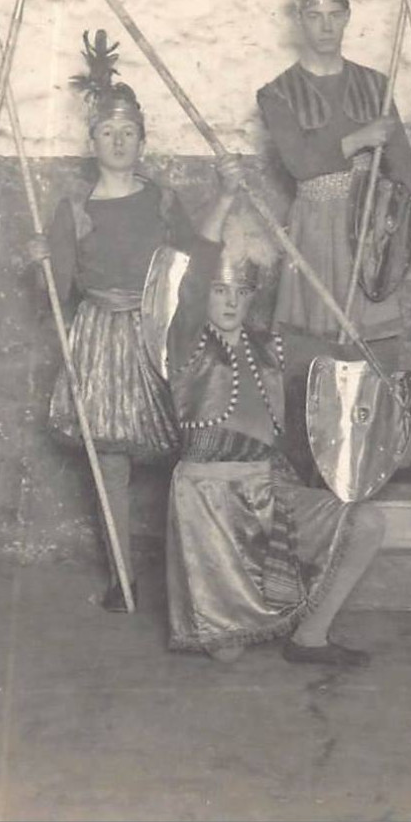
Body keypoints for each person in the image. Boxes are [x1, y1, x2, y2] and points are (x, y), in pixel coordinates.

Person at [25, 30, 233, 612]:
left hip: (158, 330)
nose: (118, 141)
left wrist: (226, 201)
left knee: (184, 451)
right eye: (107, 133)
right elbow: (57, 290)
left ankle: (191, 568)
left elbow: (195, 259)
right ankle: (122, 573)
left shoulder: (162, 200)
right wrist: (42, 260)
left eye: (128, 133)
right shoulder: (74, 208)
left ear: (142, 140)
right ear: (92, 142)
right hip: (100, 337)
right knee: (110, 461)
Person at [163, 168, 387, 667]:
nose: (228, 301)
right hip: (209, 503)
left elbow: (342, 356)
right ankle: (238, 619)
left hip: (270, 492)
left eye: (239, 292)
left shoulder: (271, 347)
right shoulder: (187, 345)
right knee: (228, 655)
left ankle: (311, 636)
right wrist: (224, 199)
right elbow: (198, 269)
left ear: (251, 297)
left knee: (368, 522)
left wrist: (379, 368)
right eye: (220, 292)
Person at [255, 0, 411, 484]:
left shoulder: (375, 85)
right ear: (299, 20)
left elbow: (405, 173)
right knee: (314, 342)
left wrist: (390, 207)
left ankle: (379, 458)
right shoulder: (277, 92)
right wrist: (360, 139)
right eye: (314, 16)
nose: (326, 26)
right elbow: (301, 163)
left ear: (347, 16)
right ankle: (309, 466)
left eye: (335, 15)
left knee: (375, 343)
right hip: (316, 223)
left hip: (369, 228)